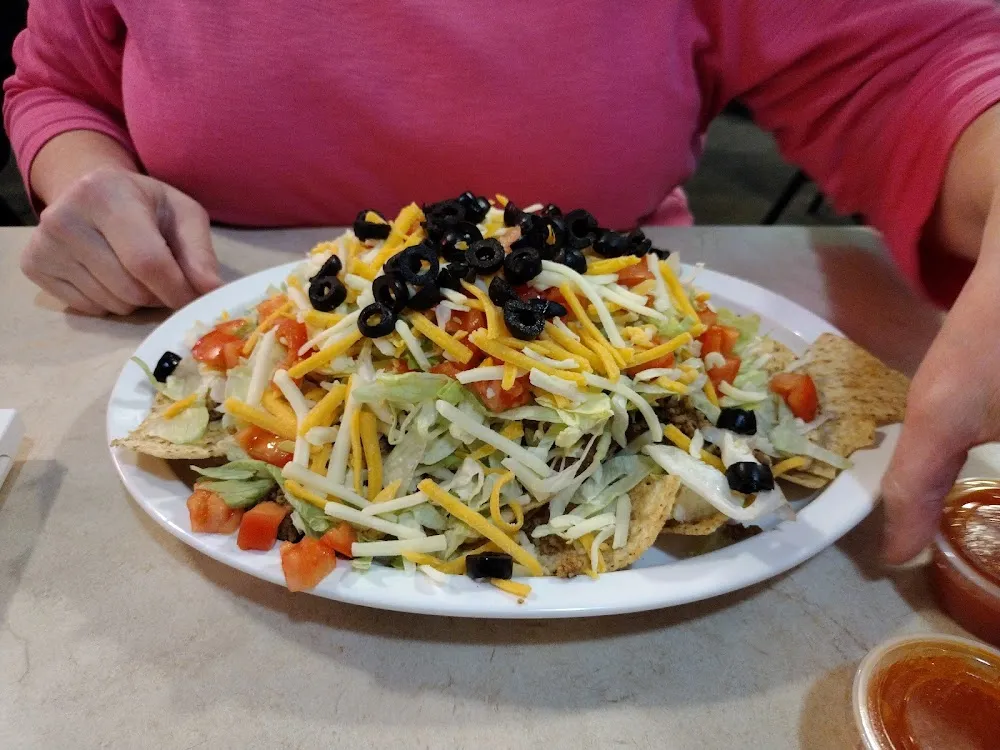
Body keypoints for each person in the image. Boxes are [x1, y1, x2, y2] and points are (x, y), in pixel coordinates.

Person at [5, 0, 1000, 566]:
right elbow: (60, 78)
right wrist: (87, 178)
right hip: (256, 352)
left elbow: (915, 64)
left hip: (637, 342)